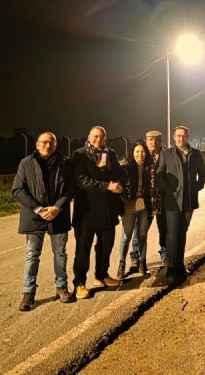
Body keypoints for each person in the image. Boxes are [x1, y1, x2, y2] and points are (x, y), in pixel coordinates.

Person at [12, 132, 74, 311]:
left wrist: (57, 207)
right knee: (32, 254)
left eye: (51, 142)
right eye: (44, 142)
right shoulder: (26, 163)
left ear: (55, 145)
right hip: (34, 216)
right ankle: (28, 293)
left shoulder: (65, 163)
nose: (48, 145)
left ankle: (61, 287)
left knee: (60, 253)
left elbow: (71, 188)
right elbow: (18, 189)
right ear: (37, 144)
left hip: (58, 214)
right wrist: (38, 208)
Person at [72, 126, 126, 299]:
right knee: (83, 249)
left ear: (105, 138)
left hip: (108, 210)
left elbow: (119, 173)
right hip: (87, 212)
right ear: (89, 137)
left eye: (101, 137)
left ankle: (101, 275)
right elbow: (81, 180)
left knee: (106, 246)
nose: (98, 140)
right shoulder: (79, 154)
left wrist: (120, 182)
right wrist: (107, 186)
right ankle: (79, 283)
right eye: (95, 136)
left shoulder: (110, 154)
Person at [156, 126, 205, 282]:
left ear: (188, 137)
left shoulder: (196, 153)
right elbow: (159, 176)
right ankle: (171, 267)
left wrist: (197, 186)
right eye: (178, 136)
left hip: (189, 201)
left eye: (184, 136)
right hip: (172, 201)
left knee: (182, 232)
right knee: (172, 233)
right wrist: (168, 190)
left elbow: (203, 173)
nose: (181, 138)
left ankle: (180, 264)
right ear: (174, 137)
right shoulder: (166, 154)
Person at [116, 141, 156, 280]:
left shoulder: (150, 168)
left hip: (144, 206)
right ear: (132, 153)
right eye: (137, 151)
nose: (140, 154)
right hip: (129, 206)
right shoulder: (125, 168)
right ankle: (121, 265)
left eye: (143, 151)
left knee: (142, 235)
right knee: (126, 236)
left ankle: (142, 263)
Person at [128, 130, 165, 272]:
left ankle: (165, 255)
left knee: (164, 229)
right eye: (150, 139)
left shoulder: (167, 156)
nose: (153, 142)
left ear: (161, 141)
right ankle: (135, 258)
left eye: (156, 139)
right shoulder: (142, 155)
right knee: (140, 231)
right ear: (146, 140)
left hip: (162, 200)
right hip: (145, 201)